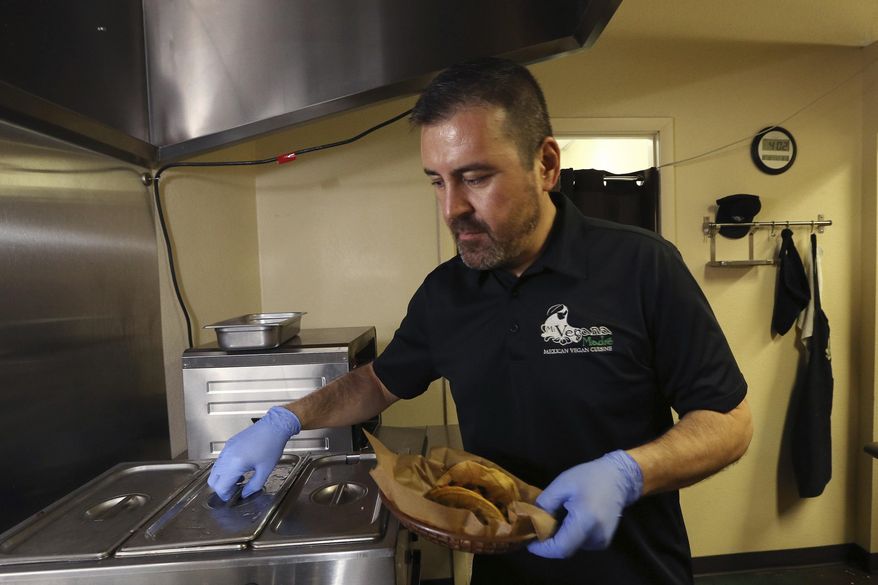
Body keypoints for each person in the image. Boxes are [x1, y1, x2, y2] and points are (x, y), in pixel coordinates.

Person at [208, 57, 753, 585]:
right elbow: (378, 381)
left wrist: (628, 473)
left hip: (633, 570)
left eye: (475, 177)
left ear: (546, 164)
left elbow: (728, 422)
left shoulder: (642, 267)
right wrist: (283, 420)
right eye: (437, 182)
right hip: (504, 570)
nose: (452, 208)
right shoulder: (447, 291)